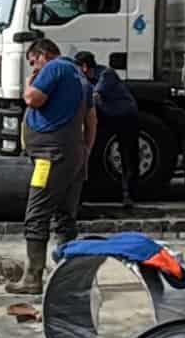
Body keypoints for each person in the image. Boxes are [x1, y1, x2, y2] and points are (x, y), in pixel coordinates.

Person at [8, 38, 94, 295]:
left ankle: (33, 277)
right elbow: (92, 119)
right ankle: (67, 276)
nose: (33, 67)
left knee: (37, 213)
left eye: (33, 62)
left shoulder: (54, 68)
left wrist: (29, 81)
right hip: (72, 155)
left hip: (50, 157)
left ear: (42, 55)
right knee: (65, 216)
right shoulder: (80, 75)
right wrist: (86, 150)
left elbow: (32, 99)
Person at [75, 51, 140, 208]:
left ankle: (128, 195)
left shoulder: (106, 74)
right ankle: (86, 193)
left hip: (125, 117)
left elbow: (95, 96)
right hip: (106, 116)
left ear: (84, 66)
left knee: (127, 155)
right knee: (94, 150)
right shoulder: (86, 78)